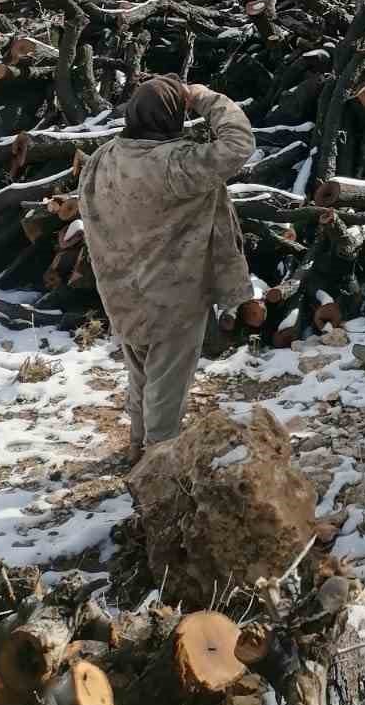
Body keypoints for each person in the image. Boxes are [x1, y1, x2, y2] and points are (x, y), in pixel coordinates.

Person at [77, 77, 256, 462]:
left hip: (120, 288)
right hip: (173, 293)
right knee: (167, 382)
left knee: (141, 372)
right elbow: (239, 143)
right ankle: (159, 462)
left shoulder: (104, 158)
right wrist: (204, 98)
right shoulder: (179, 164)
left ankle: (139, 446)